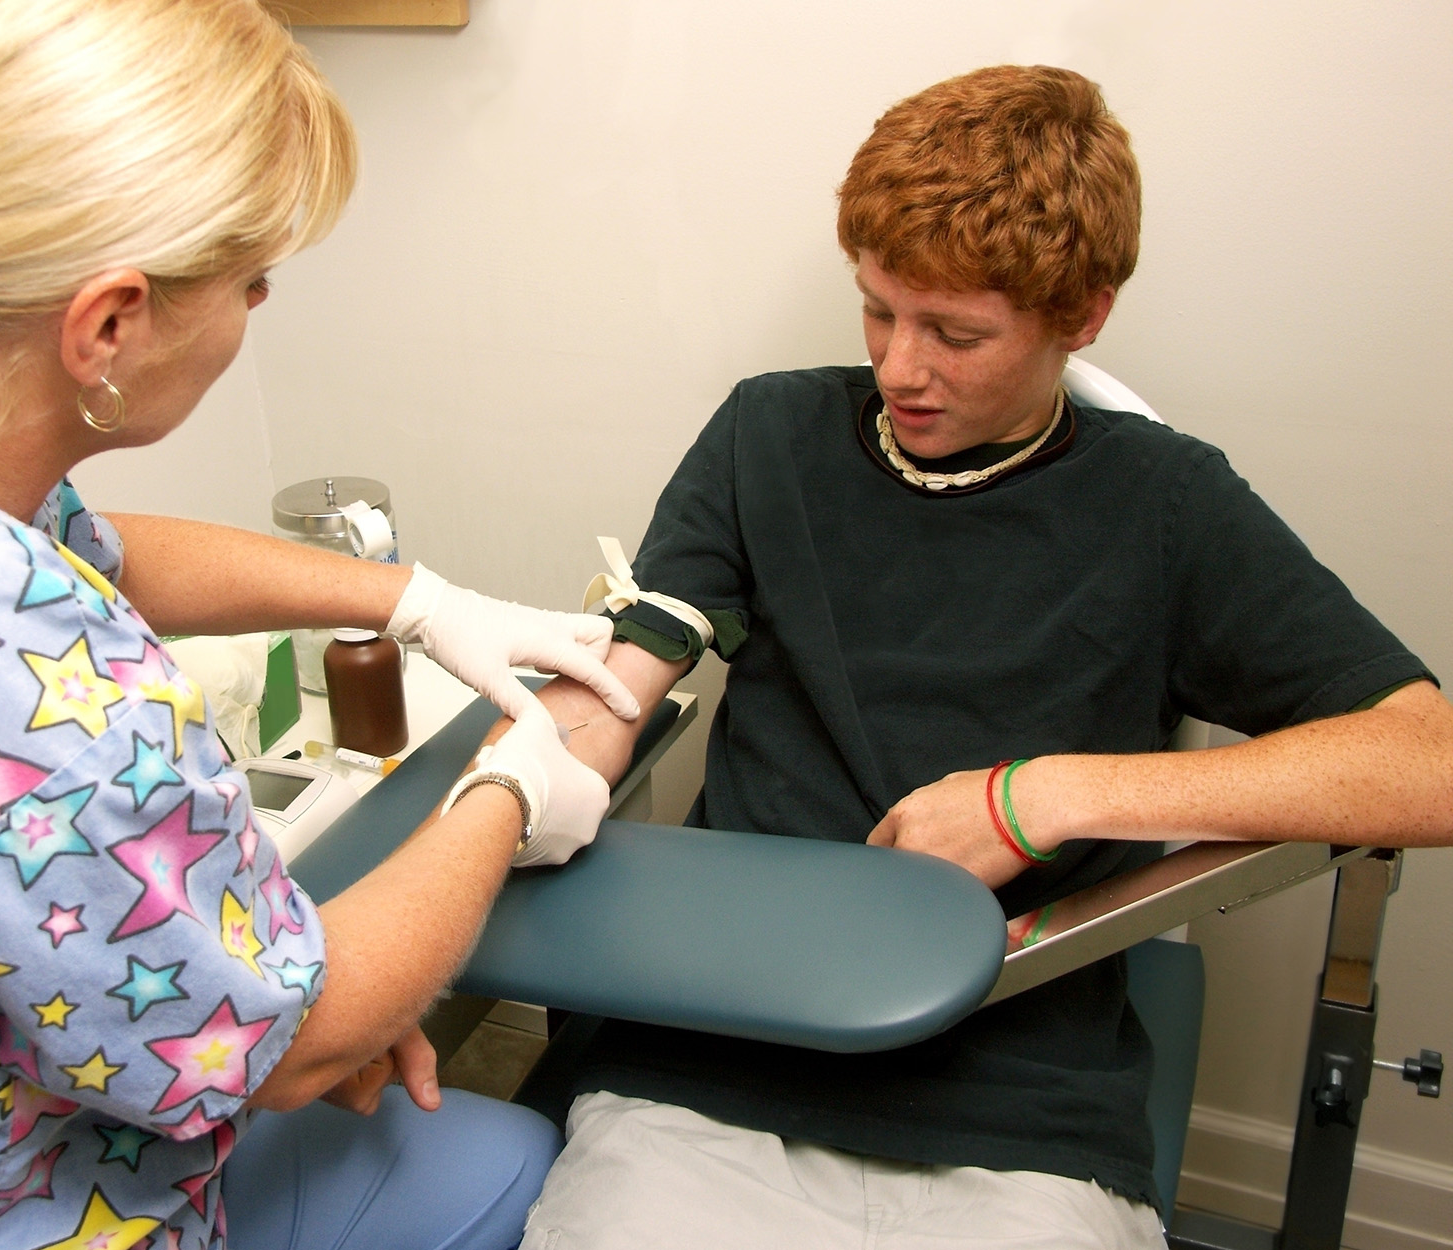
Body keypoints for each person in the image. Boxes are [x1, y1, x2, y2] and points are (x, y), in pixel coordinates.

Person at [0, 2, 641, 1248]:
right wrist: (507, 786)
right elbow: (296, 1042)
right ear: (111, 324)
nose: (257, 309)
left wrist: (415, 599)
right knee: (507, 1153)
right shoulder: (27, 669)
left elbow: (99, 543)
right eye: (253, 283)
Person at [502, 65, 1453, 1249]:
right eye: (877, 310)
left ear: (1083, 314)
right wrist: (513, 786)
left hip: (1017, 1102)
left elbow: (1427, 760)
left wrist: (1045, 794)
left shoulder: (1163, 503)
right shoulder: (769, 436)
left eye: (956, 333)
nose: (901, 368)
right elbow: (623, 678)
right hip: (718, 1058)